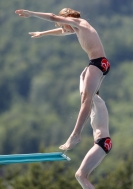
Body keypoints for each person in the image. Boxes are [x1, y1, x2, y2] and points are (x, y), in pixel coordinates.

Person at [15, 8, 110, 149]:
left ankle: (76, 134)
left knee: (86, 99)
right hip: (97, 63)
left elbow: (53, 17)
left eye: (63, 23)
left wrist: (32, 13)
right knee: (85, 85)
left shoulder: (79, 22)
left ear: (68, 17)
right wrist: (43, 33)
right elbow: (62, 31)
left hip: (98, 63)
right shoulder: (77, 27)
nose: (64, 29)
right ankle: (92, 108)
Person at [66, 67, 112, 189]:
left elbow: (84, 92)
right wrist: (83, 79)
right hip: (102, 142)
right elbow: (85, 93)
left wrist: (81, 78)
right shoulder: (94, 103)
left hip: (102, 142)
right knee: (81, 175)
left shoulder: (97, 100)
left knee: (80, 175)